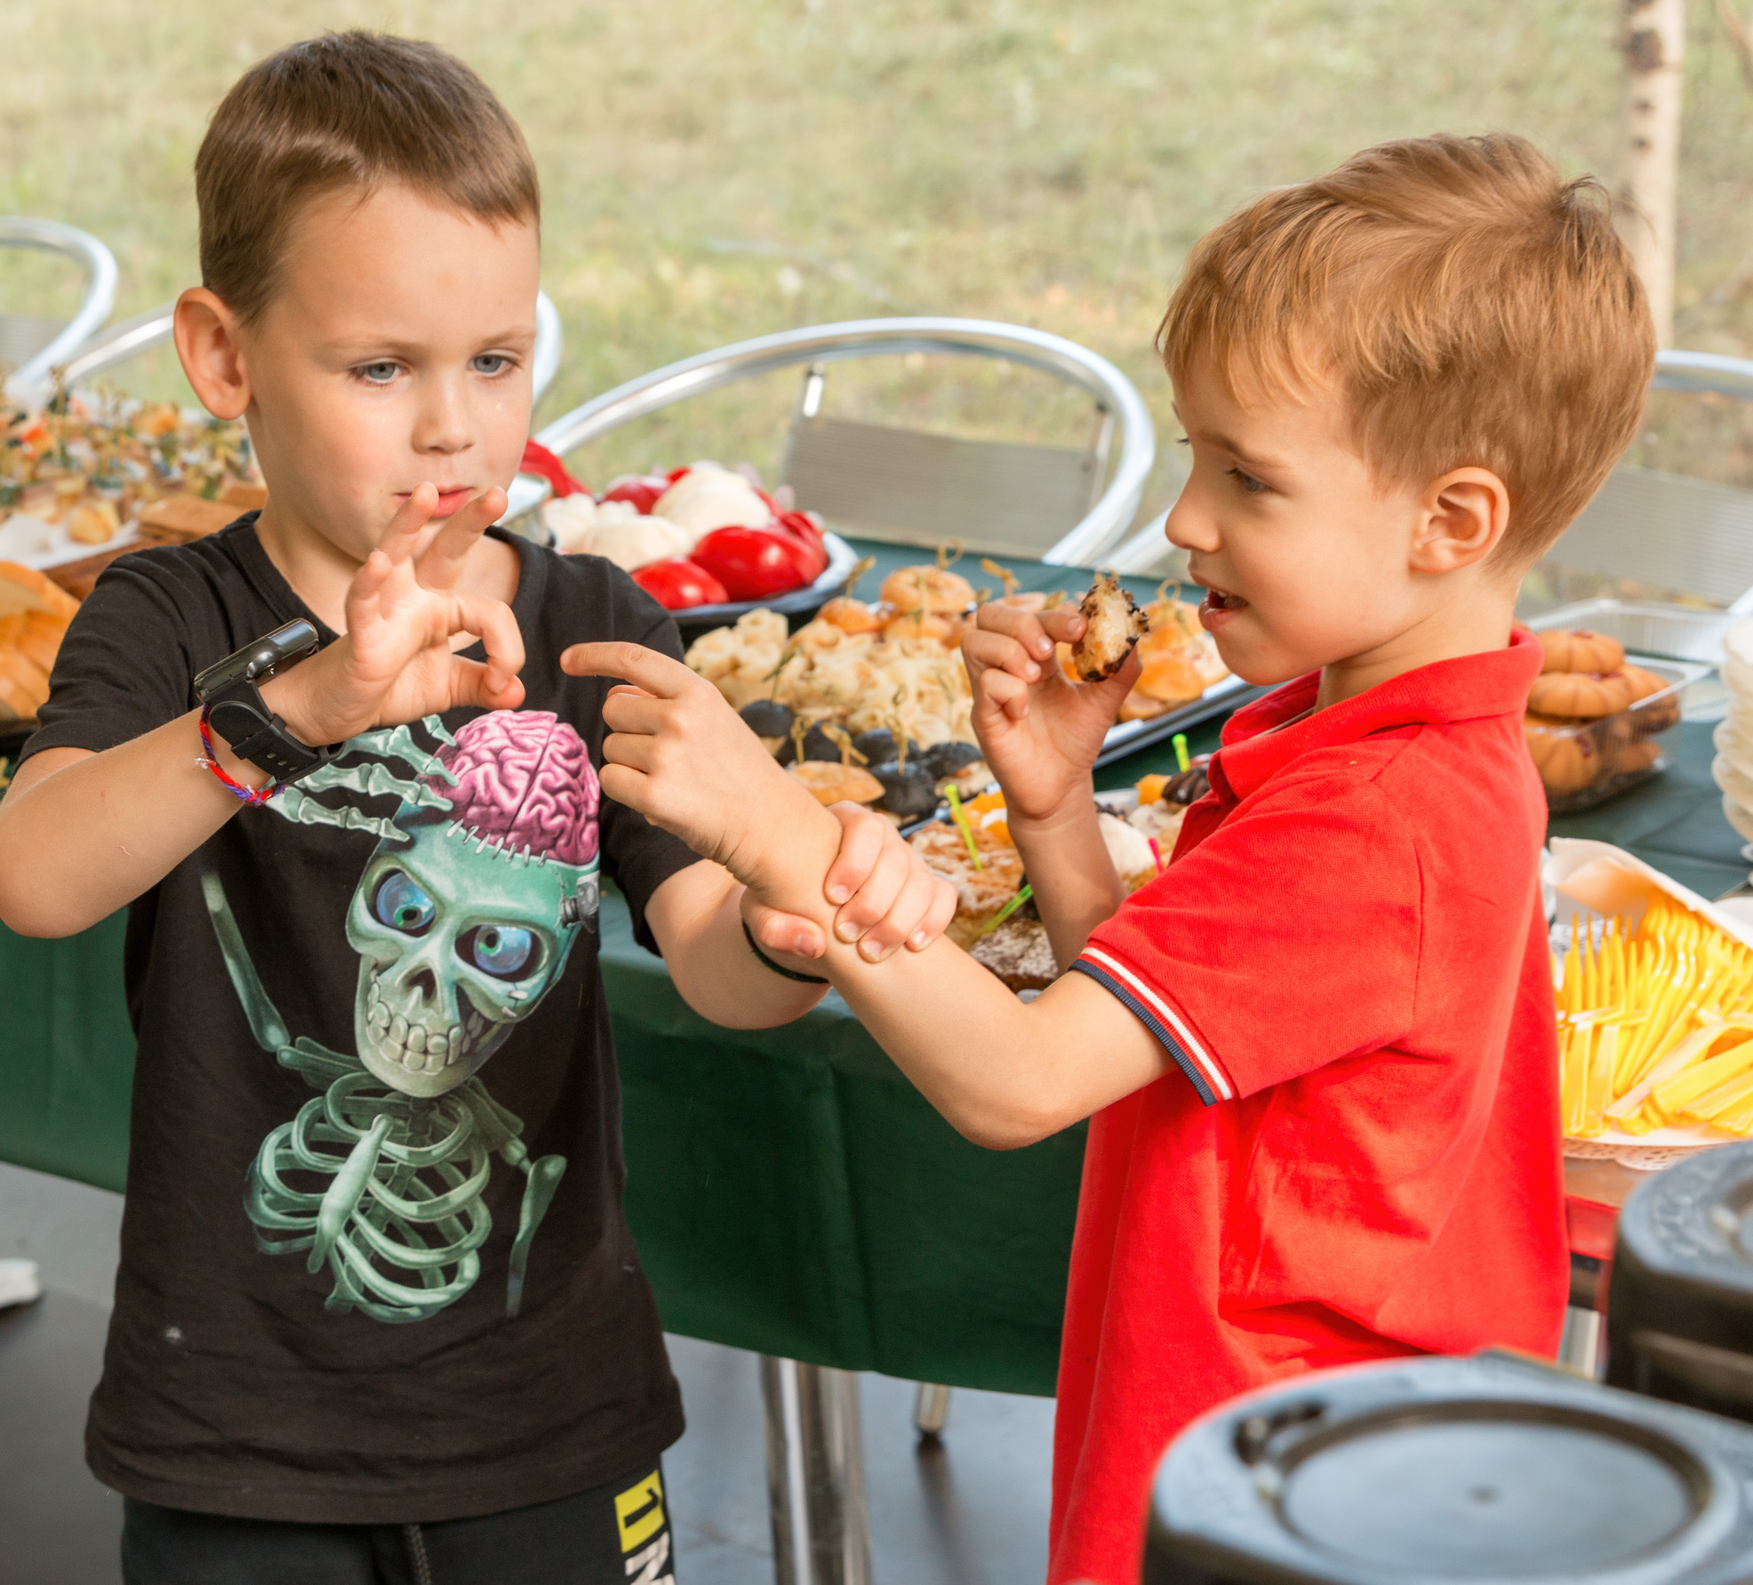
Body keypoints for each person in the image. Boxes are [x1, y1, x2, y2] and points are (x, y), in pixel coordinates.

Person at [566, 132, 1654, 1582]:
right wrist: (1058, 807)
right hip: (1318, 1458)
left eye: (1249, 480)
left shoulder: (1379, 814)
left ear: (1451, 521)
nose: (1183, 519)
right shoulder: (1367, 734)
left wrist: (778, 832)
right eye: (1194, 454)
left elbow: (1019, 1084)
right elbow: (1158, 1024)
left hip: (1268, 1484)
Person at [0, 31, 954, 1585]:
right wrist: (299, 711)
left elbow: (709, 947)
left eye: (496, 361)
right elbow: (35, 874)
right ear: (224, 358)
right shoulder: (168, 622)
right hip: (234, 1431)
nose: (455, 428)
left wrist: (789, 929)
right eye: (382, 368)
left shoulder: (592, 621)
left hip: (549, 1419)